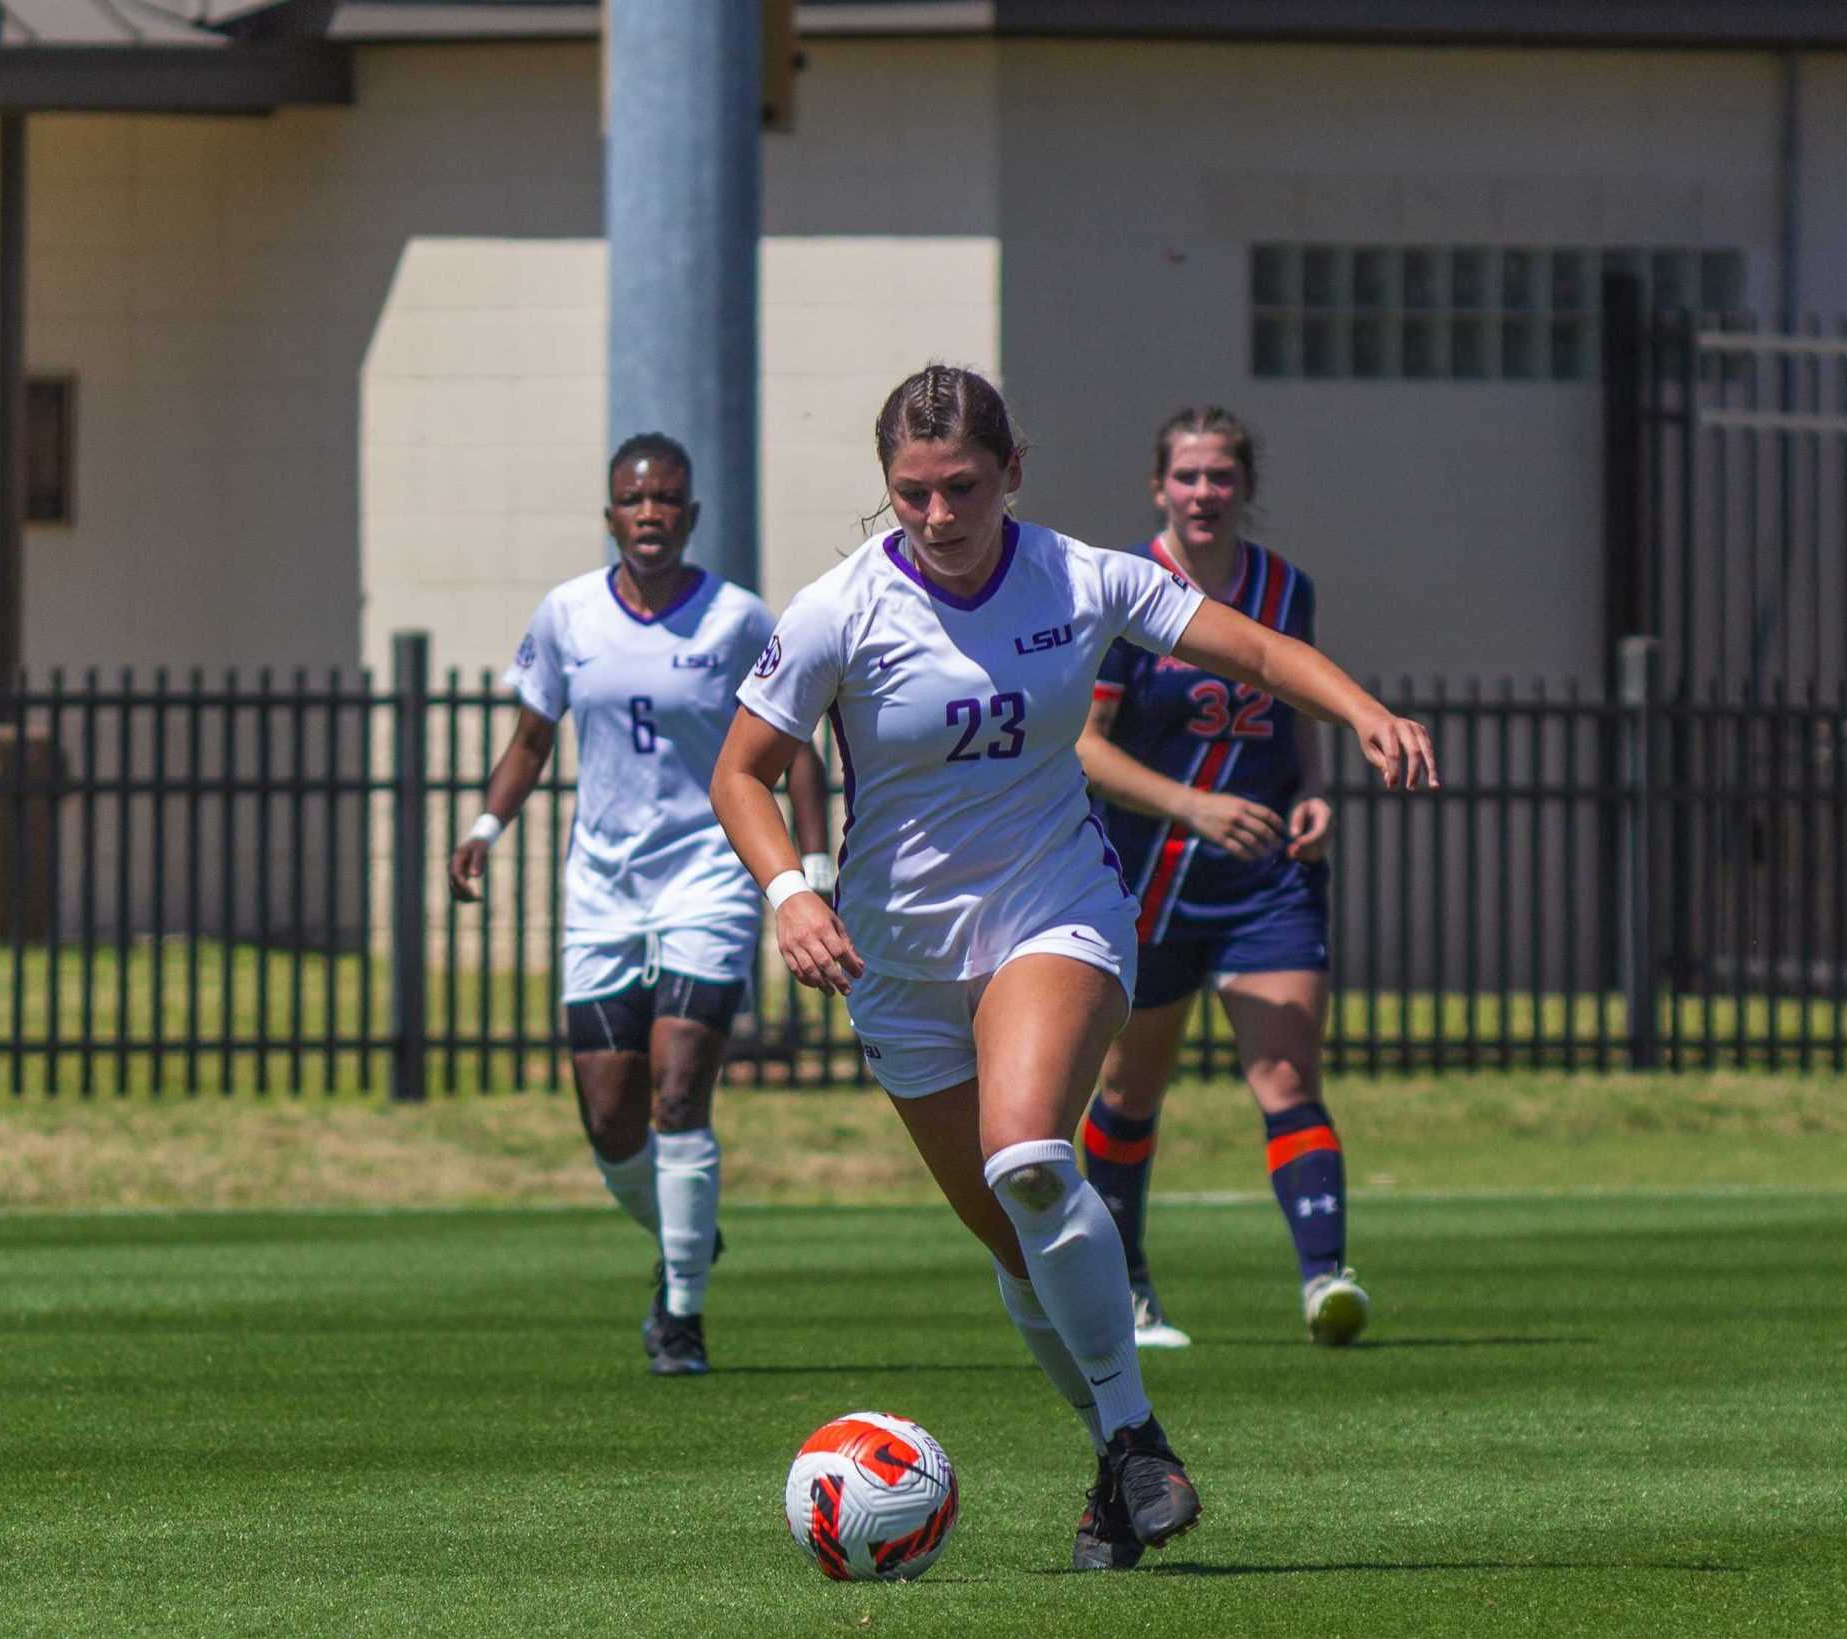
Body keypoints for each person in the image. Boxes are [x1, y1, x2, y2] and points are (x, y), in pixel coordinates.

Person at [710, 366, 1434, 1569]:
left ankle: (1136, 1439)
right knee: (1015, 1246)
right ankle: (1118, 1459)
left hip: (1056, 911)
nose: (937, 518)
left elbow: (1251, 647)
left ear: (1013, 473)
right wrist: (790, 892)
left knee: (1034, 1161)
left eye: (962, 489)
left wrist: (1359, 710)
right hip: (896, 963)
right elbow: (742, 771)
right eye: (911, 495)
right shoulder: (839, 608)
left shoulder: (1078, 575)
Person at [449, 432, 832, 1378]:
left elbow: (798, 748)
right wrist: (487, 829)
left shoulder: (741, 620)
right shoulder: (568, 615)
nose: (651, 513)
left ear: (692, 515)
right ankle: (687, 1231)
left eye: (667, 499)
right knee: (612, 1118)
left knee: (676, 1089)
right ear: (612, 514)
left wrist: (813, 867)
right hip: (604, 887)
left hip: (710, 873)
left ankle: (682, 1312)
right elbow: (532, 739)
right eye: (634, 499)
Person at [1076, 407, 1365, 1351]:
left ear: (1246, 485)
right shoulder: (1122, 589)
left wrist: (1315, 795)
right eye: (1188, 476)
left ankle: (1327, 1277)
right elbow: (1083, 748)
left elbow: (1296, 709)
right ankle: (1128, 1291)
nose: (1205, 493)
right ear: (1160, 486)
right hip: (1152, 874)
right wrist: (1191, 805)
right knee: (1129, 1088)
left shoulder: (1285, 588)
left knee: (1286, 1071)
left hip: (1266, 876)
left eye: (1222, 475)